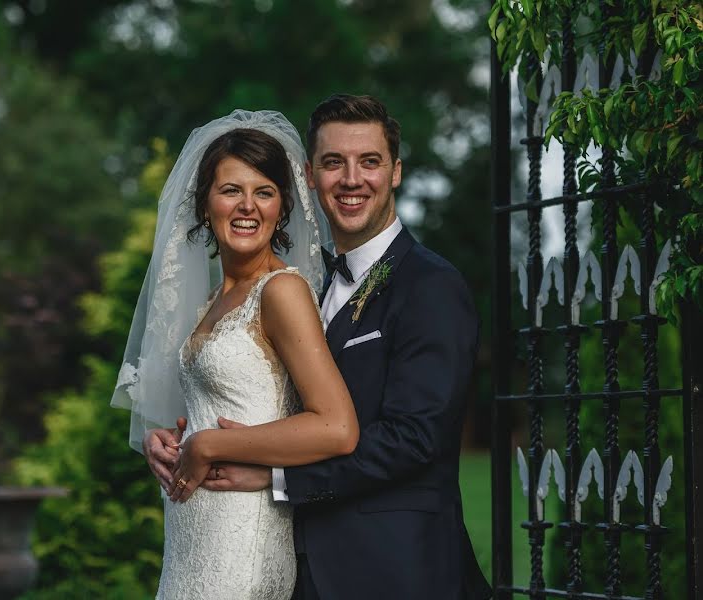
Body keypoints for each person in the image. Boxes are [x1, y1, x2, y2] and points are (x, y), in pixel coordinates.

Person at [144, 95, 493, 600]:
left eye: (369, 161)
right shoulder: (306, 283)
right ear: (309, 176)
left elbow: (414, 439)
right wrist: (185, 434)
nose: (352, 179)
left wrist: (275, 478)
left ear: (395, 172)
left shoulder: (430, 286)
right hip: (297, 563)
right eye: (334, 162)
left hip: (392, 571)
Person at [112, 110, 360, 600]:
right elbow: (221, 408)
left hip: (242, 538)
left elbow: (337, 426)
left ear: (282, 206)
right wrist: (170, 441)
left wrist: (208, 446)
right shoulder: (215, 300)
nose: (247, 206)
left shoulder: (281, 291)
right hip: (193, 533)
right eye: (231, 190)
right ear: (206, 204)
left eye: (264, 192)